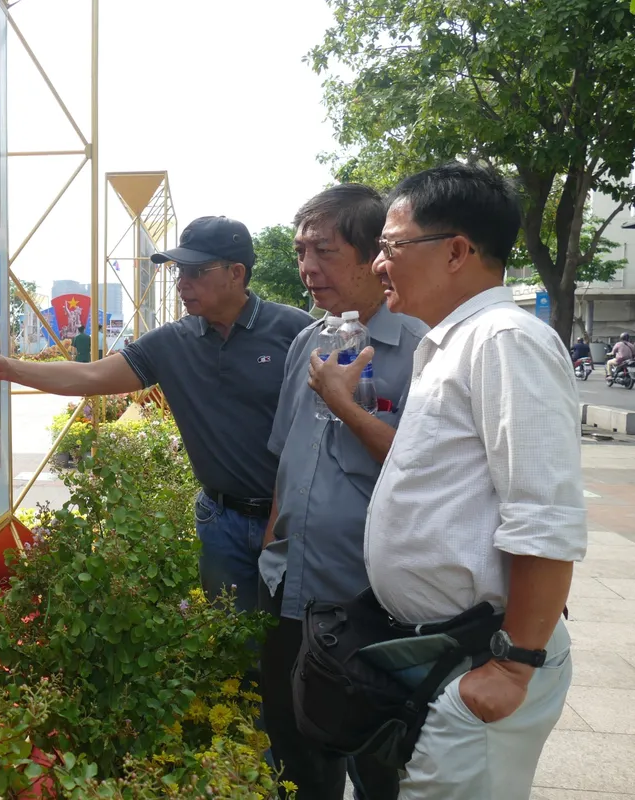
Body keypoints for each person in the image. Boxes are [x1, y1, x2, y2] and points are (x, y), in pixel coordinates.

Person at [0, 215, 313, 616]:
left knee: (296, 639)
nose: (181, 283)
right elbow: (90, 374)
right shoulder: (173, 342)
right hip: (220, 521)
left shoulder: (295, 331)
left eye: (195, 271)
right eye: (179, 271)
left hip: (292, 519)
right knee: (231, 646)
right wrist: (10, 368)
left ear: (236, 272)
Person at [367, 162, 585, 798]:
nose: (380, 264)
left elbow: (545, 515)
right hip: (442, 654)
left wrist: (513, 668)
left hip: (483, 659)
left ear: (457, 250)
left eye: (390, 246)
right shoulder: (451, 343)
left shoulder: (504, 339)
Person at [256, 185, 426, 800]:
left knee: (380, 763)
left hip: (369, 602)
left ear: (373, 256)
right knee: (295, 753)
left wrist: (344, 404)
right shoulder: (308, 341)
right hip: (289, 589)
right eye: (302, 251)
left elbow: (422, 468)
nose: (307, 268)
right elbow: (286, 461)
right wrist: (269, 547)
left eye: (323, 251)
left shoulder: (419, 349)